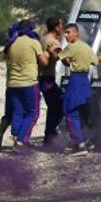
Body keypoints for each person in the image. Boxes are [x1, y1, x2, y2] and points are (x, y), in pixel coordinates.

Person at [0, 20, 49, 151]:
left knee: (17, 112)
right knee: (33, 113)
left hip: (12, 84)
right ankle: (21, 141)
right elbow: (44, 62)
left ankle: (16, 136)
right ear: (30, 29)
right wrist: (47, 53)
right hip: (29, 83)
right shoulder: (33, 43)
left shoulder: (11, 43)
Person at [58, 23, 98, 155]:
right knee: (82, 112)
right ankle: (86, 141)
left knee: (70, 111)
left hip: (75, 80)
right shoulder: (87, 47)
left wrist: (56, 50)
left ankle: (79, 144)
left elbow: (60, 58)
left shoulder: (71, 47)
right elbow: (95, 61)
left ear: (76, 33)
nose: (66, 35)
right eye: (65, 32)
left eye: (68, 32)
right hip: (85, 81)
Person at [39, 17, 64, 146]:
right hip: (47, 77)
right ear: (56, 27)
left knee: (53, 106)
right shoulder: (54, 42)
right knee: (59, 105)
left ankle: (49, 134)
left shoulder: (42, 39)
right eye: (61, 25)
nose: (62, 28)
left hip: (41, 77)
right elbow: (59, 57)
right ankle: (50, 135)